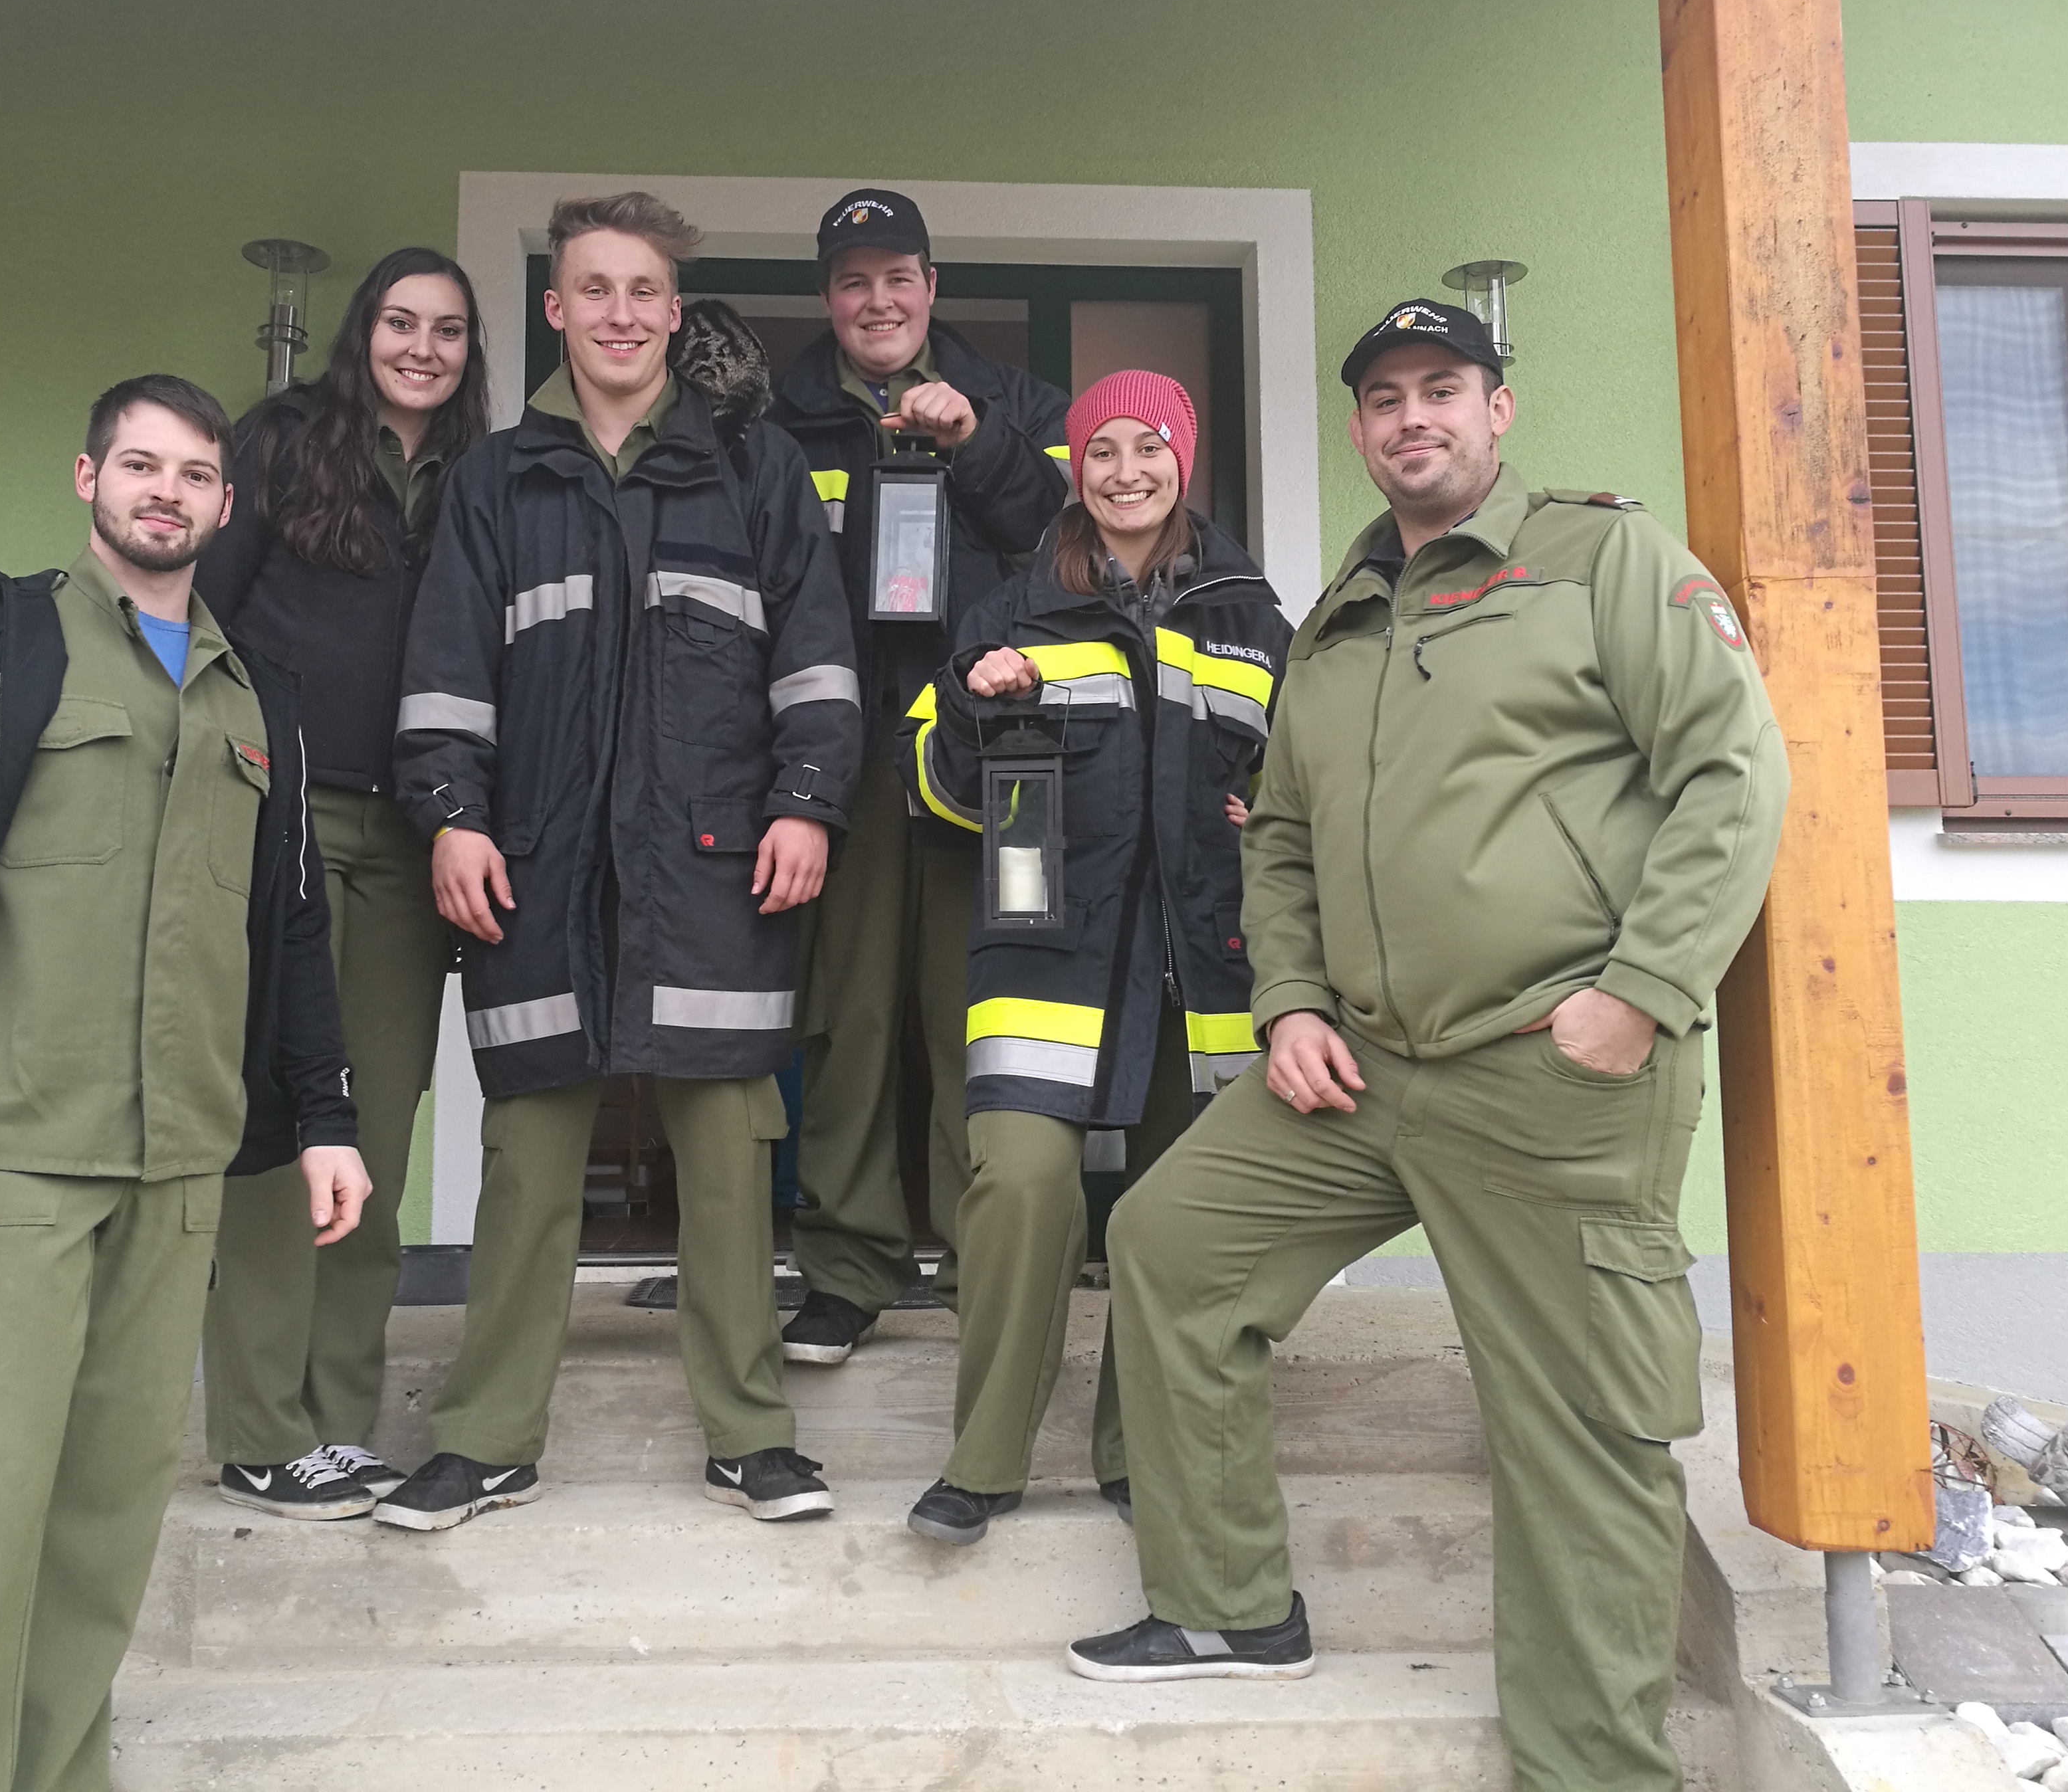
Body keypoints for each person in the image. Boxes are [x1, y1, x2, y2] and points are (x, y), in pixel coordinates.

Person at [1065, 299, 1789, 1789]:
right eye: (1386, 398)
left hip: (1550, 1065)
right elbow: (1278, 834)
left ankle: (1592, 1769)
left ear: (1496, 409)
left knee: (1576, 1428)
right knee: (1170, 1244)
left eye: (1441, 390)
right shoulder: (1340, 616)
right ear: (1357, 429)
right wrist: (1289, 1002)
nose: (1414, 419)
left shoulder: (1600, 559)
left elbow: (1732, 771)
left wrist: (1639, 990)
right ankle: (1226, 1605)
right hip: (1362, 1067)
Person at [0, 375, 370, 1792]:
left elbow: (291, 925)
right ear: (88, 479)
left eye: (194, 474)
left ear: (225, 506)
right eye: (140, 465)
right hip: (4, 1160)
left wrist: (326, 1118)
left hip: (178, 1173)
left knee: (104, 1536)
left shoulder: (260, 699)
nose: (166, 492)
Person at [377, 193, 862, 1531]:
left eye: (643, 290)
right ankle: (484, 1438)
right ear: (555, 308)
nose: (620, 314)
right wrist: (452, 817)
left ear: (673, 310)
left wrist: (807, 804)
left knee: (728, 1158)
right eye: (594, 289)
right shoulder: (496, 479)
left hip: (715, 865)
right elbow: (445, 672)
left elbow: (817, 657)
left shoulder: (752, 468)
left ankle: (752, 1436)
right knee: (529, 1158)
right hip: (537, 868)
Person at [898, 371, 1287, 1546]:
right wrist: (978, 714)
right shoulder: (1012, 612)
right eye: (1102, 450)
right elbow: (934, 790)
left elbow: (1301, 785)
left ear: (1184, 460)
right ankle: (984, 1462)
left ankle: (1140, 1450)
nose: (1126, 472)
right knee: (1020, 1191)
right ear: (1076, 469)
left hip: (1207, 975)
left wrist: (1266, 824)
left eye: (1149, 447)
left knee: (1176, 1228)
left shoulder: (1255, 620)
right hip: (1045, 968)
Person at [197, 249, 486, 1520]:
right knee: (279, 1125)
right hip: (286, 824)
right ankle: (262, 1431)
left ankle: (337, 1421)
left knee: (374, 1133)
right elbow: (202, 618)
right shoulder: (278, 443)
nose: (422, 347)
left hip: (416, 838)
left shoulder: (481, 478)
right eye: (401, 322)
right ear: (363, 329)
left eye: (448, 330)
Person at [765, 187, 1073, 1365]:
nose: (878, 301)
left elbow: (1070, 541)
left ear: (934, 289)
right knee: (847, 1021)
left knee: (974, 1018)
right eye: (854, 282)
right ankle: (846, 1266)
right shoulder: (778, 422)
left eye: (899, 278)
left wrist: (975, 442)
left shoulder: (1023, 407)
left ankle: (979, 1261)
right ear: (828, 299)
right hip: (840, 761)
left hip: (986, 761)